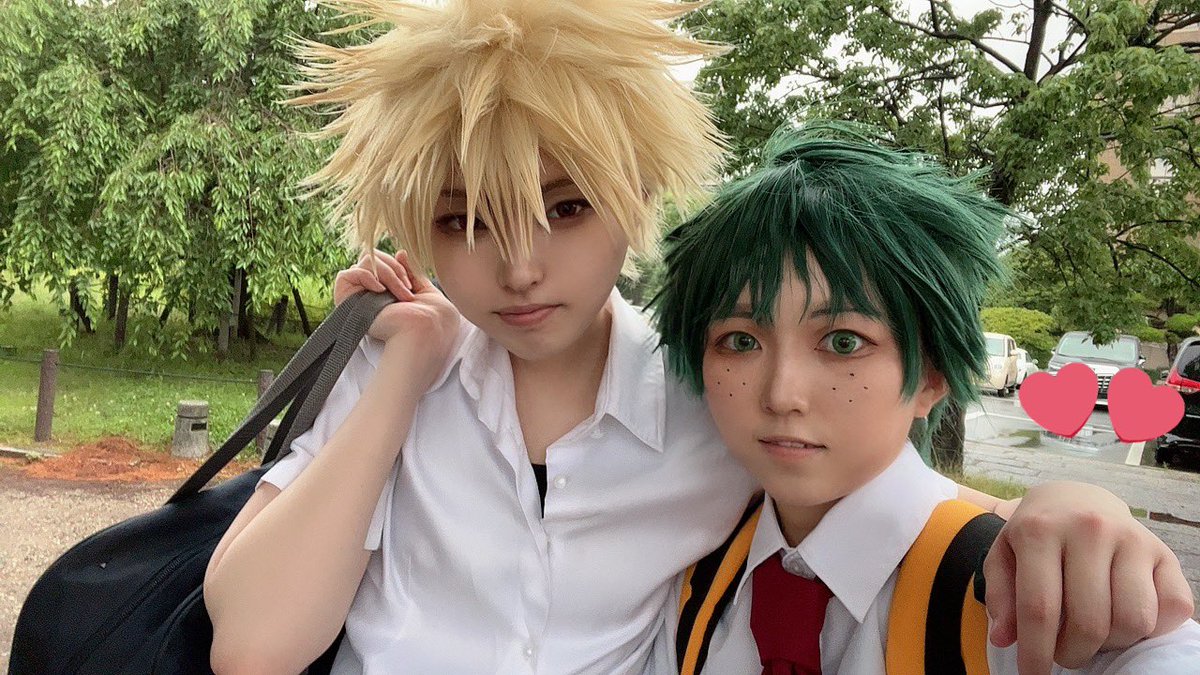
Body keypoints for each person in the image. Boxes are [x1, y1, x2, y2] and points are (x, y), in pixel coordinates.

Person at [202, 1, 1194, 673]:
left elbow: (872, 489)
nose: (519, 268)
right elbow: (252, 647)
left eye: (566, 207)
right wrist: (400, 375)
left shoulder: (710, 393)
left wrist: (1071, 503)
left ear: (637, 195)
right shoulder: (394, 372)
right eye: (463, 222)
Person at [648, 125, 1200, 674]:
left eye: (844, 342)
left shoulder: (1014, 598)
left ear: (931, 379)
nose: (781, 395)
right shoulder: (692, 584)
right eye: (740, 342)